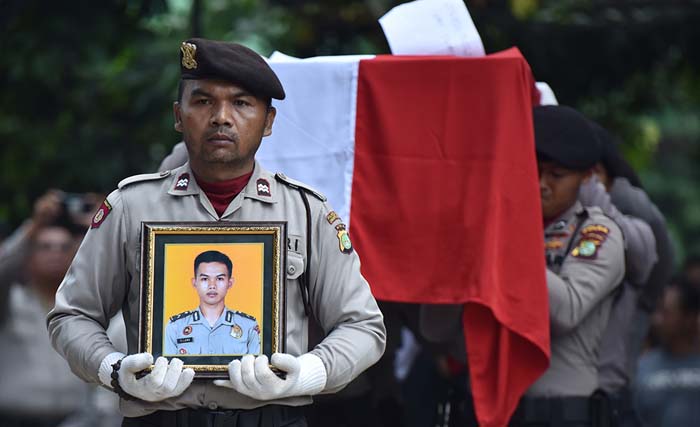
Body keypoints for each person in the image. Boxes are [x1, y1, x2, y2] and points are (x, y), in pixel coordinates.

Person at [47, 38, 386, 427]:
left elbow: (362, 326)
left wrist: (310, 371)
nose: (222, 117)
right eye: (204, 101)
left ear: (269, 121)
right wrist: (113, 369)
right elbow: (72, 316)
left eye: (241, 103)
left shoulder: (306, 212)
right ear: (179, 115)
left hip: (272, 418)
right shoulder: (131, 207)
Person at [420, 105, 626, 426]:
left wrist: (500, 246)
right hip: (482, 408)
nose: (543, 184)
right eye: (533, 170)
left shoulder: (598, 233)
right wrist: (457, 256)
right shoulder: (490, 229)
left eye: (556, 175)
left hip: (559, 411)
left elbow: (567, 311)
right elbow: (435, 329)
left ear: (586, 176)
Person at [0, 208, 91, 427]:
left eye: (64, 247)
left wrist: (100, 225)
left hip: (78, 419)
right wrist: (33, 227)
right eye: (45, 247)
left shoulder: (85, 306)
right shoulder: (8, 300)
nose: (55, 253)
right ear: (28, 256)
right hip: (15, 419)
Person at [165, 250, 260, 355]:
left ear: (230, 283)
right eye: (205, 279)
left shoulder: (248, 326)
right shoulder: (175, 327)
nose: (212, 285)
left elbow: (257, 369)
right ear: (194, 282)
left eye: (219, 278)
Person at [633, 279, 700, 426]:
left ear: (689, 318)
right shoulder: (641, 368)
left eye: (665, 312)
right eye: (656, 311)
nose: (657, 320)